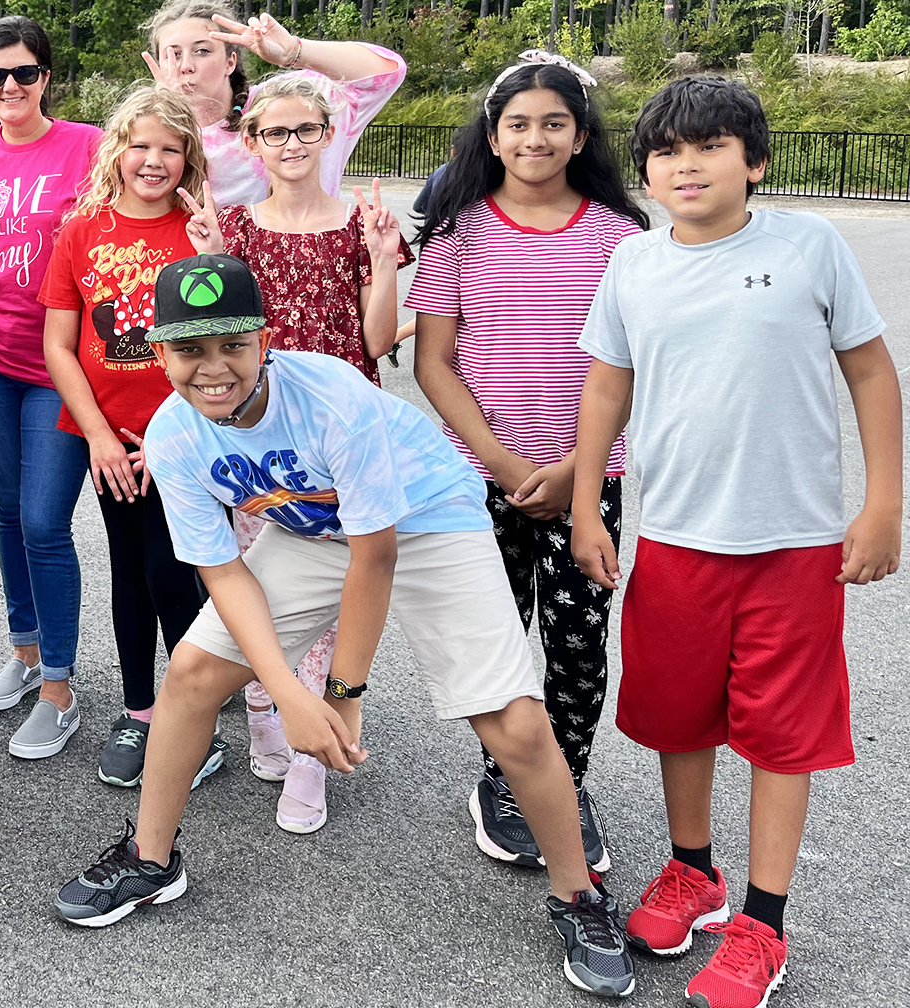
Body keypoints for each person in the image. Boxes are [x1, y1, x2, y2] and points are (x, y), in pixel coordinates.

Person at [53, 252, 638, 1000]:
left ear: (263, 339)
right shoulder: (171, 436)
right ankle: (149, 859)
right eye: (190, 350)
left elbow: (378, 554)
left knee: (514, 723)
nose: (213, 368)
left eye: (232, 344)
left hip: (427, 518)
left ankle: (580, 896)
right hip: (309, 527)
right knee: (193, 675)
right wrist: (285, 694)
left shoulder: (330, 393)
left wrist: (340, 692)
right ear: (159, 352)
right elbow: (224, 574)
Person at [573, 75, 901, 1008]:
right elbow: (607, 386)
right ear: (646, 169)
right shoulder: (635, 264)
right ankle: (694, 871)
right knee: (678, 715)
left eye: (711, 146)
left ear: (753, 162)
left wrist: (884, 505)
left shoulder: (808, 246)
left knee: (780, 733)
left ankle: (764, 920)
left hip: (792, 540)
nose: (688, 164)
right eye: (669, 150)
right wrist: (591, 506)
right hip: (676, 535)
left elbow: (872, 374)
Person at [409, 52, 651, 872]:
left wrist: (574, 473)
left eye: (554, 123)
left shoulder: (623, 239)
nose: (536, 138)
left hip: (590, 479)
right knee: (496, 640)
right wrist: (509, 467)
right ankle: (507, 780)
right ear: (493, 134)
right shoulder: (458, 230)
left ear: (581, 135)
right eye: (519, 124)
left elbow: (631, 370)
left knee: (579, 643)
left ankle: (568, 781)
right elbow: (433, 362)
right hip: (477, 478)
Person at [212, 73, 408, 833]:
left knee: (330, 595)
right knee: (259, 584)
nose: (291, 145)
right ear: (252, 141)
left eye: (305, 130)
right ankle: (266, 704)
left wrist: (387, 260)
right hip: (257, 438)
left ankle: (310, 756)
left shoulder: (359, 224)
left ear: (327, 135)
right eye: (275, 132)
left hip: (340, 436)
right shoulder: (237, 227)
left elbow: (379, 339)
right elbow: (219, 349)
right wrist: (210, 257)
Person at [37, 86, 223, 779]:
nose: (153, 160)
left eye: (169, 148)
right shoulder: (82, 230)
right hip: (111, 441)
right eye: (141, 145)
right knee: (129, 572)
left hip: (185, 437)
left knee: (175, 574)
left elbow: (230, 342)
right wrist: (98, 436)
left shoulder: (199, 227)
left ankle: (195, 720)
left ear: (187, 158)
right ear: (117, 151)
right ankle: (140, 711)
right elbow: (61, 344)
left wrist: (217, 250)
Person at [0, 16, 101, 753]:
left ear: (47, 79)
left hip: (60, 366)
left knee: (43, 522)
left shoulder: (90, 148)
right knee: (9, 511)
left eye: (24, 74)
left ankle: (61, 687)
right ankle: (27, 653)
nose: (10, 87)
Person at [141, 0, 403, 206]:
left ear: (230, 61)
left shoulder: (289, 106)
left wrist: (294, 52)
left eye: (202, 51)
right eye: (172, 55)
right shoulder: (153, 137)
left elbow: (385, 73)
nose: (186, 66)